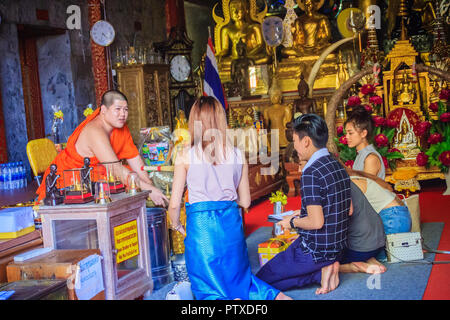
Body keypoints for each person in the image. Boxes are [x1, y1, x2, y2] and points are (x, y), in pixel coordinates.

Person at [168, 96, 291, 300]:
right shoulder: (237, 154)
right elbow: (245, 202)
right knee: (241, 281)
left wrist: (178, 227)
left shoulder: (185, 155)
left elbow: (174, 205)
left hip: (201, 230)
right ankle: (274, 297)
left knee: (207, 288)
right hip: (230, 226)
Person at [256, 113, 352, 295]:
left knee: (261, 279)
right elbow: (344, 210)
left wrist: (291, 222)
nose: (295, 147)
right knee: (281, 280)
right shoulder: (337, 164)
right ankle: (322, 272)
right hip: (338, 248)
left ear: (306, 141)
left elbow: (316, 223)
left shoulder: (311, 172)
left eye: (295, 141)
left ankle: (320, 272)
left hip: (314, 251)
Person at [36, 90, 168, 206]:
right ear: (103, 110)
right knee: (125, 179)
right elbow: (116, 169)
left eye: (126, 109)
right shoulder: (95, 131)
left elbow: (135, 160)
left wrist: (151, 188)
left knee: (132, 180)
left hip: (96, 179)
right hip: (70, 182)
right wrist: (149, 191)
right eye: (117, 109)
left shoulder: (120, 127)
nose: (123, 114)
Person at [346, 168, 412, 262]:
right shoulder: (359, 177)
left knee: (360, 254)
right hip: (403, 217)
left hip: (392, 222)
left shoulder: (351, 183)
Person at [345, 106, 385, 179]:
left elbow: (365, 188)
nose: (346, 137)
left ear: (363, 133)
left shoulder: (370, 158)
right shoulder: (361, 154)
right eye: (346, 133)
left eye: (350, 133)